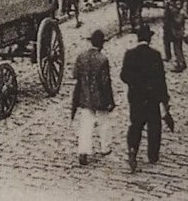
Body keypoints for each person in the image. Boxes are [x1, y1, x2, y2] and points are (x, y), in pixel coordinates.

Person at [120, 23, 171, 173]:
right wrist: (164, 99)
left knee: (135, 124)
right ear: (149, 39)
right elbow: (161, 79)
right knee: (154, 125)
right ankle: (152, 155)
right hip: (152, 97)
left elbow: (124, 76)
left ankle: (132, 149)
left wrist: (135, 84)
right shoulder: (155, 55)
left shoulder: (130, 54)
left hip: (136, 97)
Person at [71, 29, 115, 165]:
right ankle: (105, 147)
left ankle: (83, 150)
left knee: (85, 124)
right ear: (101, 44)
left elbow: (75, 75)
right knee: (104, 122)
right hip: (100, 97)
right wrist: (110, 100)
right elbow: (105, 82)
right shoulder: (103, 59)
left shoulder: (81, 57)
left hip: (85, 95)